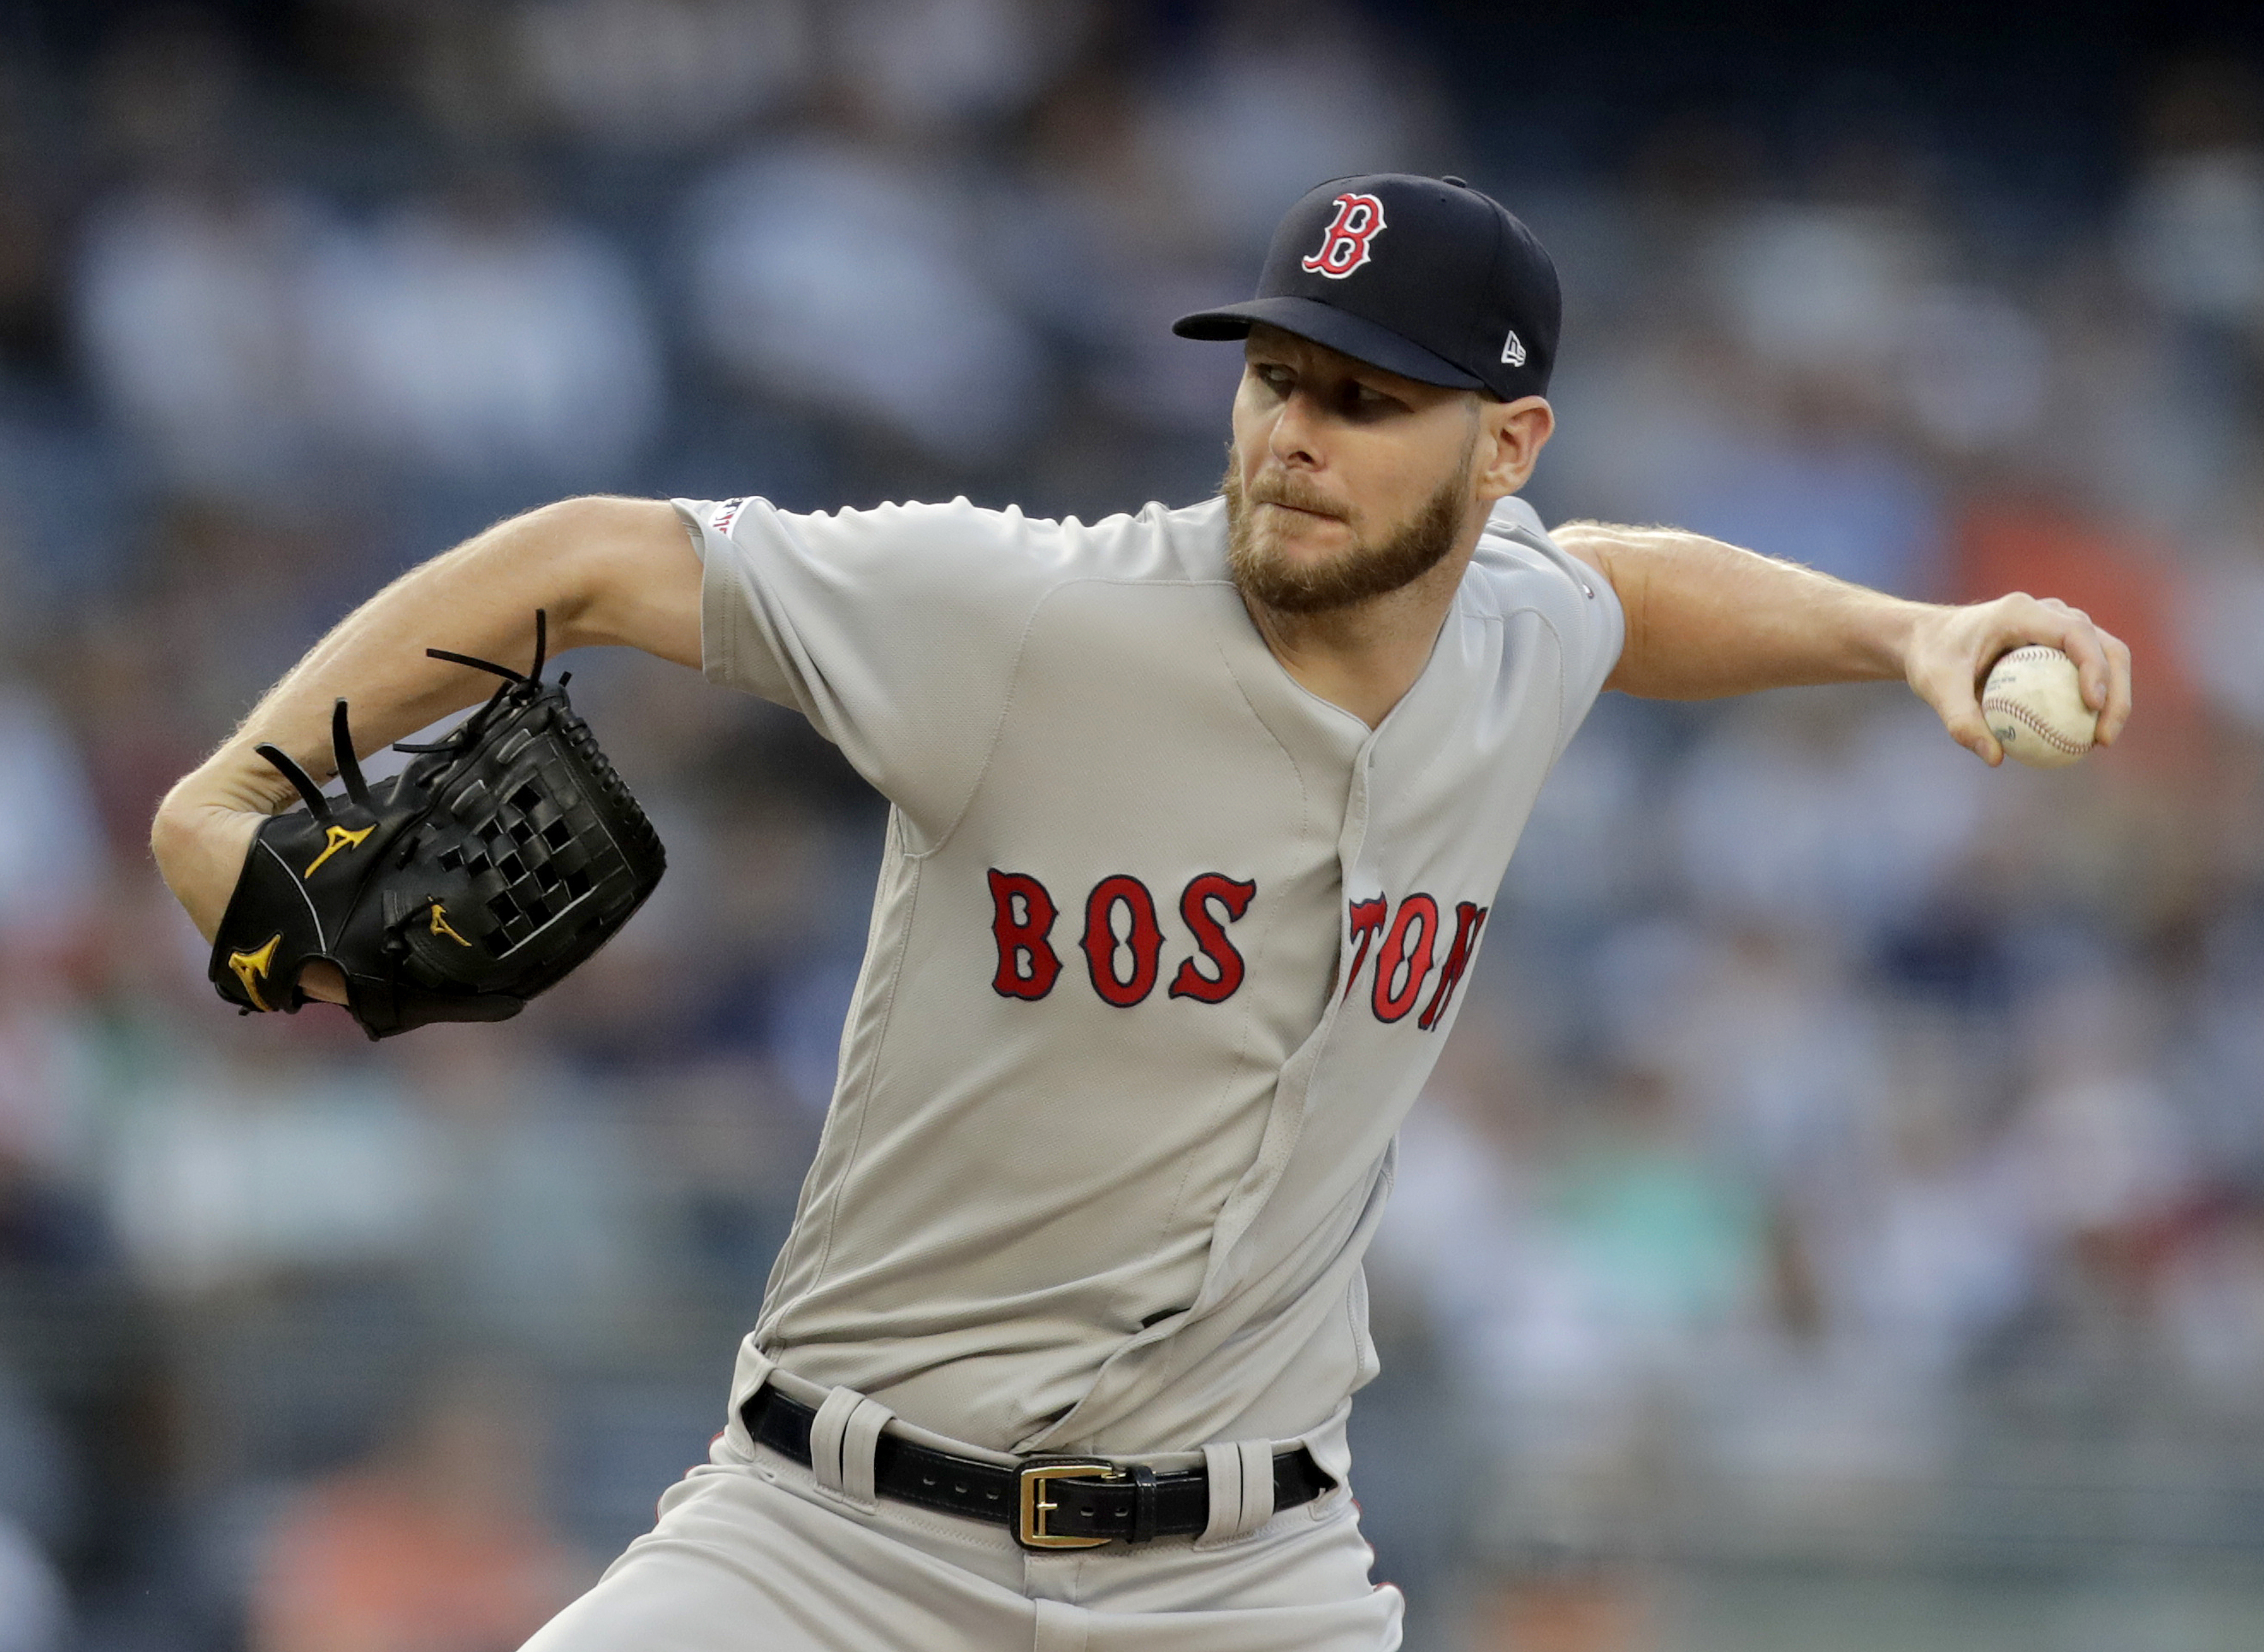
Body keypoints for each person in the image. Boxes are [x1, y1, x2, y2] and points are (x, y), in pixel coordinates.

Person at [151, 174, 2131, 1650]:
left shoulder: (1516, 632)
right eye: (1278, 376)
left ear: (1502, 450)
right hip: (832, 1550)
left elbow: (1625, 589)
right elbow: (591, 557)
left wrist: (1909, 631)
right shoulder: (1025, 616)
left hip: (1249, 1577)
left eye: (1366, 398)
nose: (1295, 432)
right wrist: (237, 785)